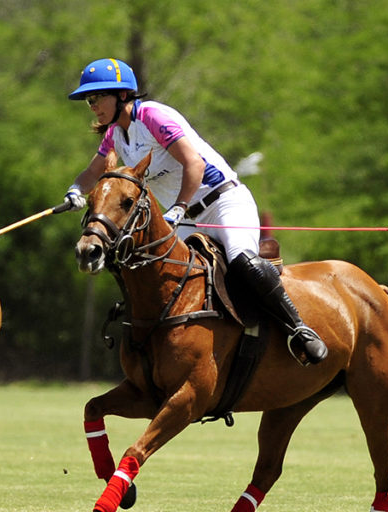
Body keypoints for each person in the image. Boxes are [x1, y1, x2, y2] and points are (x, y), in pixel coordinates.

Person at [62, 58, 327, 365]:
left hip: (223, 202)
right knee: (161, 277)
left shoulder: (152, 116)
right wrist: (75, 190)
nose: (92, 105)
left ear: (122, 95)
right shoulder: (115, 135)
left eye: (97, 97)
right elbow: (92, 172)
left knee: (241, 261)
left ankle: (298, 330)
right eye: (88, 100)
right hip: (186, 218)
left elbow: (194, 164)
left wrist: (178, 207)